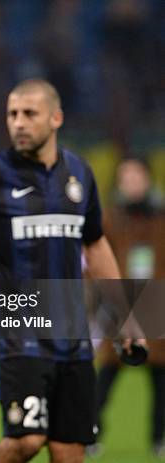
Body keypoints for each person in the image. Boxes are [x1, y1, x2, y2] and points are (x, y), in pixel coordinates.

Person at [0, 78, 144, 462]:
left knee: (70, 452)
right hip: (17, 335)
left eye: (29, 114)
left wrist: (126, 315)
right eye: (12, 114)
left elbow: (95, 242)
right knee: (27, 440)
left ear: (56, 118)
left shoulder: (79, 174)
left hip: (72, 338)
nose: (18, 123)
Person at [90, 157, 165, 458]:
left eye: (135, 176)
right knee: (106, 376)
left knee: (160, 380)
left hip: (157, 307)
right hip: (121, 309)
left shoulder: (161, 219)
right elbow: (95, 262)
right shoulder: (111, 218)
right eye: (125, 177)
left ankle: (158, 438)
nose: (130, 182)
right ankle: (92, 433)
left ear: (147, 179)